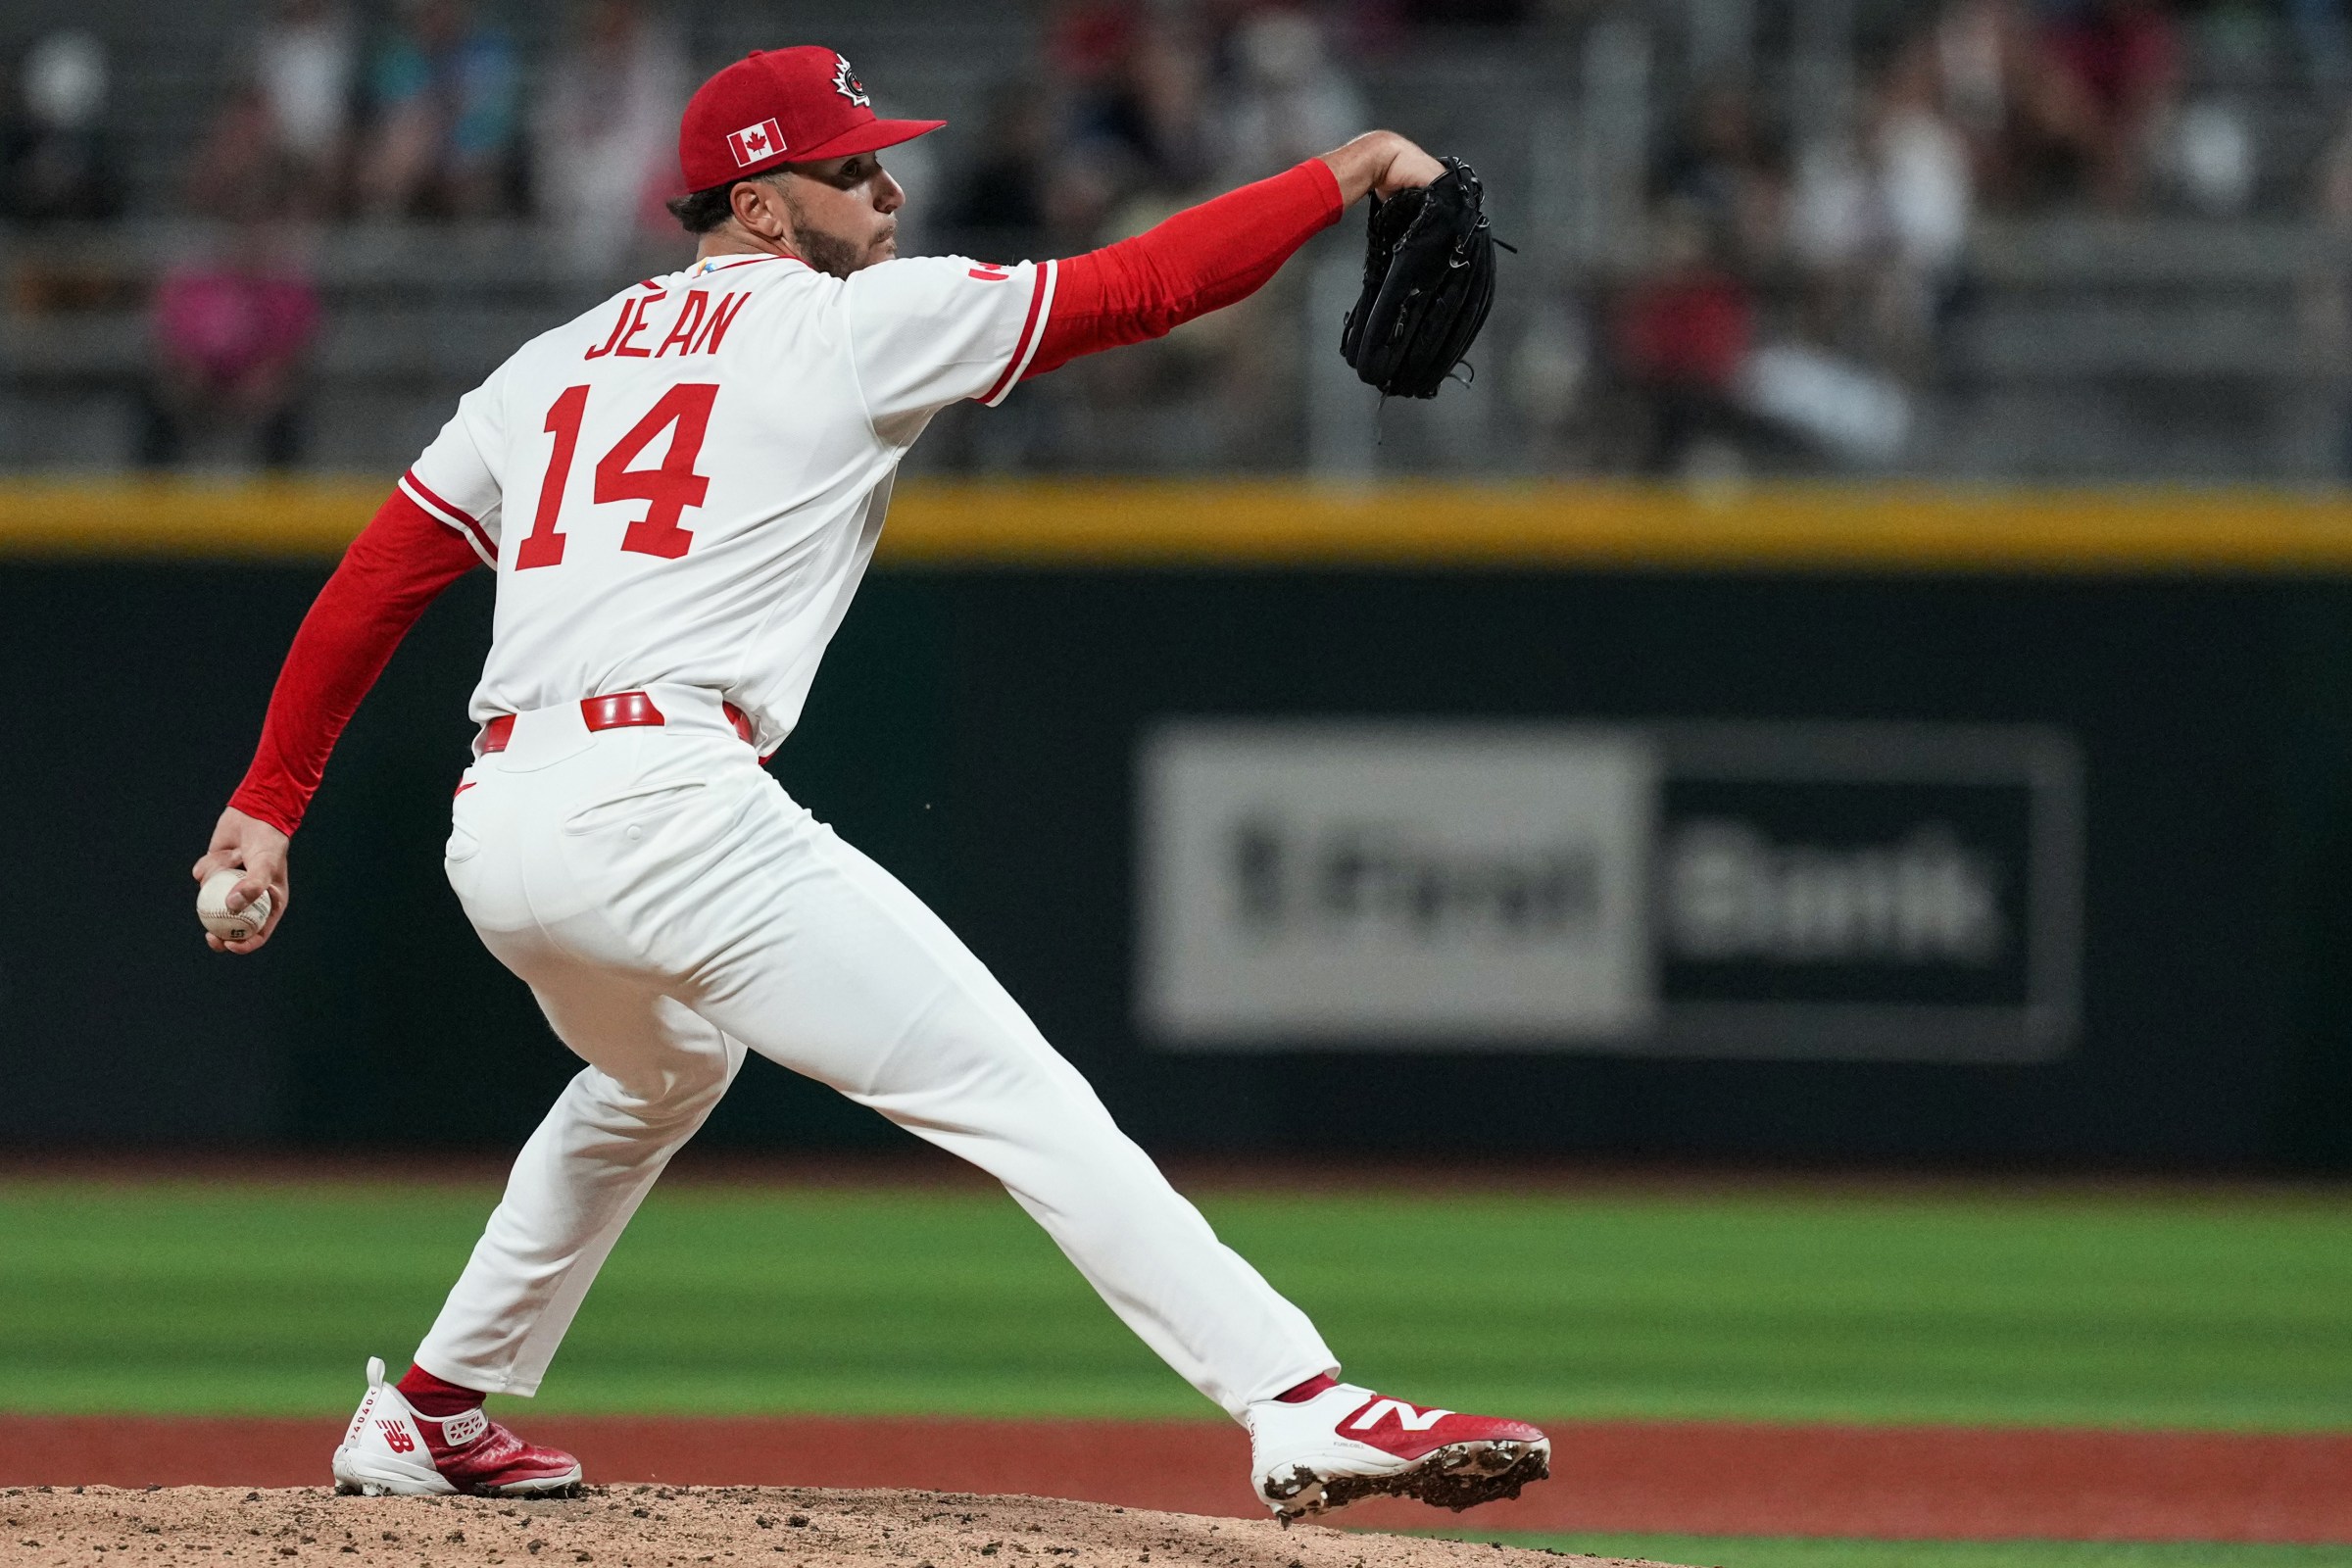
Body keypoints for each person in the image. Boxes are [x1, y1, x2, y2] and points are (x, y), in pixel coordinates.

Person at [191, 44, 1551, 1521]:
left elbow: (375, 584)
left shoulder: (548, 365)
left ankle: (434, 1412)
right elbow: (1146, 285)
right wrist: (1347, 168)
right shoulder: (855, 329)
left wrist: (268, 805)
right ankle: (1304, 1405)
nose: (890, 184)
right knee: (1012, 1088)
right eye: (852, 168)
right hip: (666, 810)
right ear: (765, 208)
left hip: (504, 824)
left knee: (664, 1068)